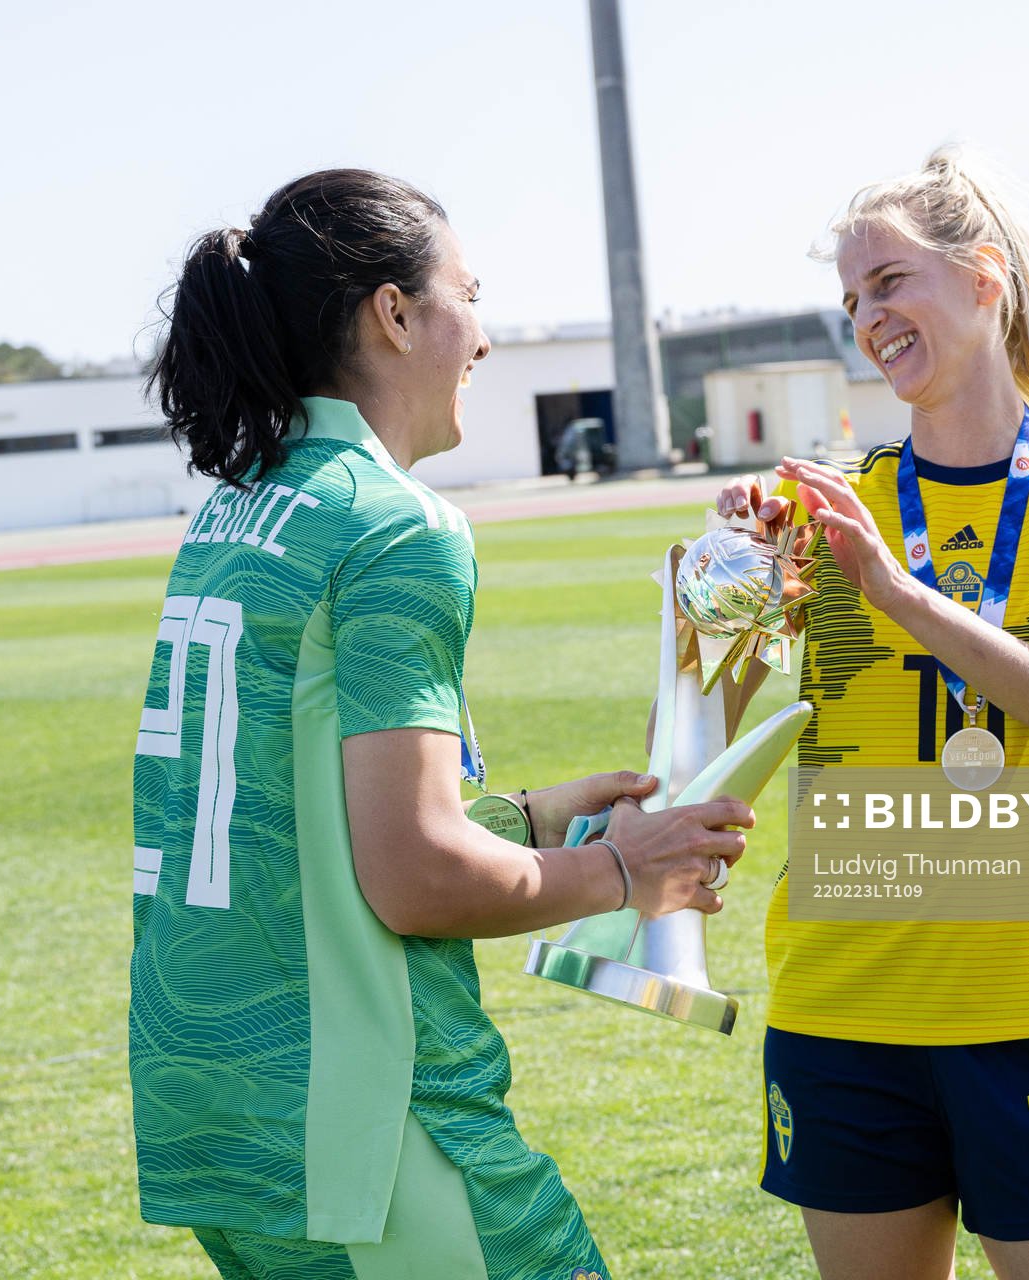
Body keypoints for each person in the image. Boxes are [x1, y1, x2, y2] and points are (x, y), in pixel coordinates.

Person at [130, 168, 753, 1280]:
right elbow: (413, 875)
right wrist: (624, 869)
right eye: (470, 292)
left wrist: (525, 817)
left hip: (217, 1109)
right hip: (362, 1116)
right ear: (396, 312)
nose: (485, 334)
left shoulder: (238, 504)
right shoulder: (396, 525)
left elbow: (307, 803)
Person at [717, 148, 1029, 1280]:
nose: (866, 317)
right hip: (841, 1002)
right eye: (850, 300)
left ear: (982, 277)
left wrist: (899, 592)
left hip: (1025, 994)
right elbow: (707, 727)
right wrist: (731, 578)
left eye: (887, 281)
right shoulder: (832, 506)